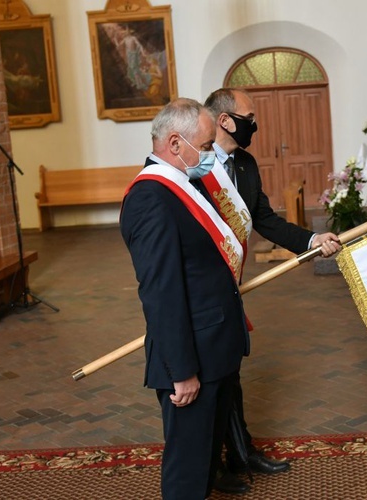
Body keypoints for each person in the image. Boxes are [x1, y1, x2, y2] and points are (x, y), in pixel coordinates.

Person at [203, 87, 341, 494]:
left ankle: (241, 453)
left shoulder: (244, 164)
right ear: (225, 120)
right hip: (202, 290)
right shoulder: (196, 164)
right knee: (212, 378)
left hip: (231, 283)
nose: (255, 125)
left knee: (231, 372)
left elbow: (263, 218)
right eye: (249, 116)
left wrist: (312, 241)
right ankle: (212, 466)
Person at [120, 97, 249, 499]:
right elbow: (161, 292)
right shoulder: (150, 198)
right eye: (207, 145)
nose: (211, 154)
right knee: (187, 471)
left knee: (207, 459)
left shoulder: (184, 185)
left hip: (216, 347)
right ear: (176, 144)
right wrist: (181, 371)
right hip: (192, 358)